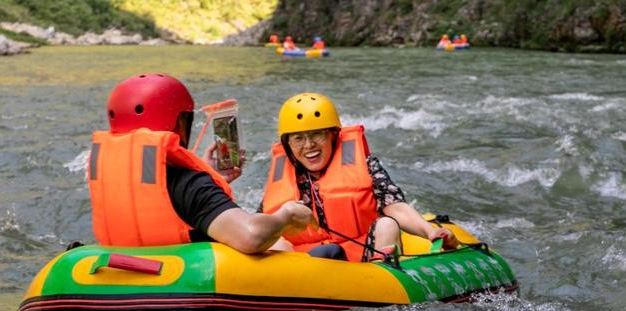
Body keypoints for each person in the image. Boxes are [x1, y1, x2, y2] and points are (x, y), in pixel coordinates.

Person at [88, 74, 313, 254]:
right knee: (282, 245)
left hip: (130, 277)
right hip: (191, 287)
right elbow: (251, 237)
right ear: (179, 124)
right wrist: (286, 215)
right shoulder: (191, 185)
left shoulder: (110, 178)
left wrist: (211, 176)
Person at [259, 92, 458, 262]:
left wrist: (429, 231)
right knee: (273, 238)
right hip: (304, 262)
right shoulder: (283, 175)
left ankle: (384, 282)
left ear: (333, 135)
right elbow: (259, 224)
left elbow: (396, 207)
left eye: (317, 135)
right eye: (299, 138)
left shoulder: (365, 164)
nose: (309, 145)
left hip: (364, 256)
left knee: (387, 224)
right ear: (288, 145)